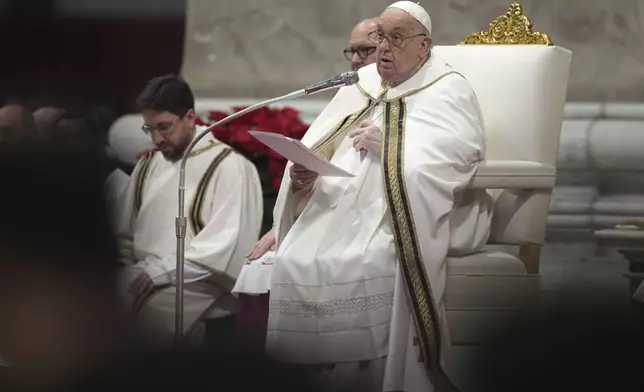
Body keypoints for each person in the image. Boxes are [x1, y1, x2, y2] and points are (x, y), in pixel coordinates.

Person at [264, 2, 492, 391]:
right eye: (380, 37)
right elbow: (321, 143)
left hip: (403, 212)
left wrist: (391, 147)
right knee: (292, 256)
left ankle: (366, 376)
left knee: (368, 258)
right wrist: (303, 173)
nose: (384, 48)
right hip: (338, 206)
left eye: (397, 38)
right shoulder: (364, 82)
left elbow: (459, 158)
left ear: (424, 46)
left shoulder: (447, 87)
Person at [236, 15, 383, 352]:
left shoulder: (404, 98)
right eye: (353, 51)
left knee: (310, 265)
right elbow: (322, 161)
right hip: (325, 209)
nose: (357, 60)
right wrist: (300, 186)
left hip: (367, 216)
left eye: (367, 50)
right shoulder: (350, 95)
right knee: (258, 267)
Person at [114, 74, 263, 346]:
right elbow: (125, 232)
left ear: (191, 117)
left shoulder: (230, 166)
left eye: (164, 127)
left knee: (143, 318)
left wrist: (162, 271)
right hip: (144, 273)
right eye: (149, 129)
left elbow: (224, 246)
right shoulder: (147, 165)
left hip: (201, 282)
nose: (157, 138)